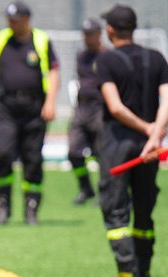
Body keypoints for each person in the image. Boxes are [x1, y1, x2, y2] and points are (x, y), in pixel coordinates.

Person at [95, 4, 168, 277]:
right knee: (144, 210)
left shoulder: (106, 61)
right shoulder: (156, 58)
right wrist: (155, 132)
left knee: (116, 212)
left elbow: (115, 107)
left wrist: (144, 129)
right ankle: (145, 275)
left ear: (111, 30)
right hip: (149, 148)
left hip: (118, 142)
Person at [0, 2, 60, 225]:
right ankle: (3, 204)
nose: (11, 23)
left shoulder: (40, 40)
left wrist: (50, 101)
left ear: (26, 20)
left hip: (33, 108)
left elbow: (53, 71)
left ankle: (31, 208)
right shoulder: (1, 39)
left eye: (16, 19)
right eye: (9, 19)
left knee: (32, 158)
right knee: (2, 155)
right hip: (5, 109)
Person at [69, 19, 107, 205]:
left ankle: (104, 190)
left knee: (101, 152)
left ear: (100, 34)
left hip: (100, 107)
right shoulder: (81, 56)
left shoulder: (108, 56)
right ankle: (86, 188)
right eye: (85, 33)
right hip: (82, 107)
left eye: (91, 33)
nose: (87, 37)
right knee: (73, 152)